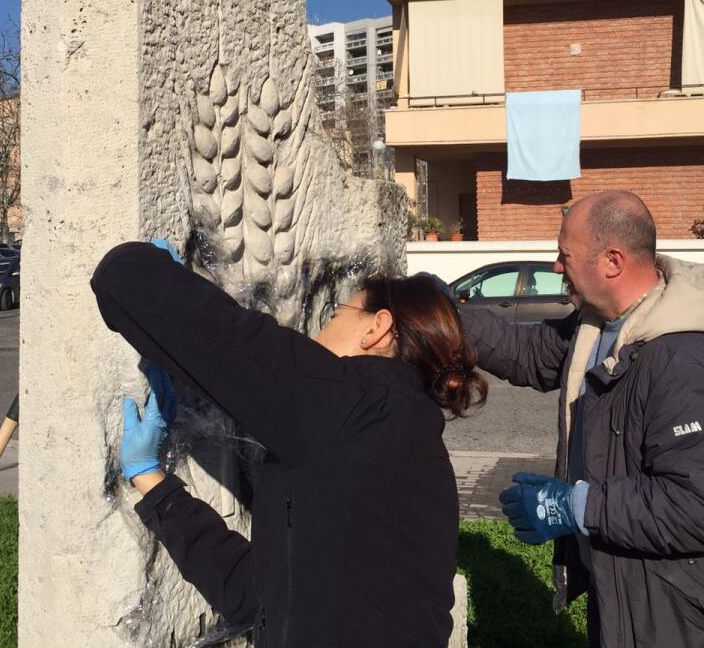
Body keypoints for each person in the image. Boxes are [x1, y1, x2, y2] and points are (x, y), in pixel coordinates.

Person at [91, 241, 487, 648]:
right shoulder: (395, 436)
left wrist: (160, 272)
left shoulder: (358, 403)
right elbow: (266, 603)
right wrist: (154, 485)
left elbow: (124, 279)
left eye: (336, 314)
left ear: (377, 327)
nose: (319, 330)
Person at [460, 190, 704, 647]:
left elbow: (702, 506)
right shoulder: (601, 324)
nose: (557, 268)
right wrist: (443, 313)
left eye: (564, 256)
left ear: (613, 261)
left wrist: (574, 506)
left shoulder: (683, 359)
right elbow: (530, 353)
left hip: (697, 618)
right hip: (634, 594)